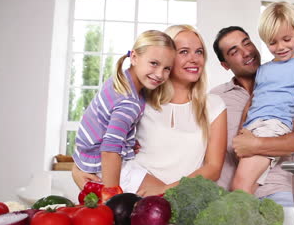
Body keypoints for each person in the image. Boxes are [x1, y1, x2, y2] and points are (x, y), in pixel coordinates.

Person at [72, 25, 227, 197]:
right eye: (183, 52)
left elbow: (213, 169)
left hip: (176, 198)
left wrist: (164, 193)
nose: (194, 58)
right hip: (130, 194)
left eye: (199, 52)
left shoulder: (214, 105)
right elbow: (101, 134)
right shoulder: (138, 99)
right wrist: (78, 167)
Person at [211, 24, 294, 207]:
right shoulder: (215, 98)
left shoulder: (287, 84)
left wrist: (256, 145)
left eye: (247, 43)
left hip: (279, 193)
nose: (246, 52)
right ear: (225, 65)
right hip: (233, 197)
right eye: (234, 51)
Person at [71, 30, 176, 202]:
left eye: (167, 69)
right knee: (168, 198)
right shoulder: (129, 102)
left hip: (89, 157)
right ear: (134, 57)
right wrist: (111, 196)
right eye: (154, 63)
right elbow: (110, 150)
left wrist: (127, 142)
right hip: (104, 166)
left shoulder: (121, 80)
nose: (159, 74)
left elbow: (103, 123)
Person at [232, 1, 294, 195]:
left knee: (238, 186)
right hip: (253, 128)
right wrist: (242, 131)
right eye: (272, 42)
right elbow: (253, 100)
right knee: (248, 188)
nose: (280, 47)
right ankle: (253, 222)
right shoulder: (263, 69)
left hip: (273, 126)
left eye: (286, 39)